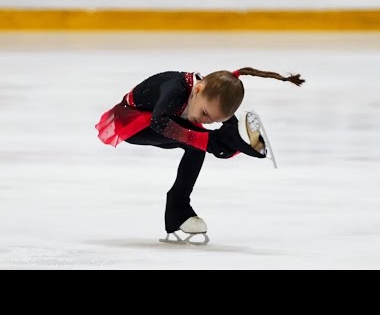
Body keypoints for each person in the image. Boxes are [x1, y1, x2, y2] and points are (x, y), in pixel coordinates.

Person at [95, 67, 304, 244]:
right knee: (203, 142)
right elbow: (159, 123)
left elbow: (221, 125)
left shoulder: (205, 98)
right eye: (205, 114)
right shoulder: (176, 88)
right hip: (132, 122)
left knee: (211, 141)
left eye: (213, 119)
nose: (206, 120)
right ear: (197, 88)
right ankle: (178, 209)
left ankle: (178, 210)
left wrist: (249, 146)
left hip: (164, 121)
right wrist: (208, 141)